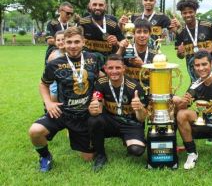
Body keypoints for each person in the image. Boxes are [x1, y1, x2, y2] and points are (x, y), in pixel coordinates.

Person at [28, 27, 99, 172]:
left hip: (84, 114)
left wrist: (98, 99)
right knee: (35, 131)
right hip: (62, 111)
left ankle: (87, 138)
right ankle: (45, 156)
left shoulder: (93, 59)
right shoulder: (54, 64)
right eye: (69, 42)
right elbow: (43, 84)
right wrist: (48, 102)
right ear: (63, 43)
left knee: (88, 158)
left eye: (77, 42)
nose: (73, 46)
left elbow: (102, 80)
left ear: (83, 42)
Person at [88, 54, 148, 171]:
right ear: (105, 69)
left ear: (124, 68)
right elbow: (97, 107)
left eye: (118, 68)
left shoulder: (135, 87)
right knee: (94, 120)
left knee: (136, 151)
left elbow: (141, 119)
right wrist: (94, 109)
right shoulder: (101, 83)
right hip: (111, 121)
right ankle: (100, 155)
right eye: (110, 68)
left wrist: (139, 108)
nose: (114, 71)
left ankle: (131, 140)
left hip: (130, 123)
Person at [175, 0, 212, 82]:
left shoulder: (208, 26)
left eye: (190, 12)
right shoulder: (180, 32)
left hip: (211, 68)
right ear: (181, 14)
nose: (188, 15)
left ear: (195, 12)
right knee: (197, 93)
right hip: (193, 72)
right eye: (184, 13)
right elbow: (180, 56)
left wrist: (208, 50)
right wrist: (180, 53)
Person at [78, 0, 124, 69]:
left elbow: (124, 44)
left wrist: (116, 43)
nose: (97, 7)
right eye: (94, 4)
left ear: (105, 6)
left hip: (109, 64)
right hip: (89, 64)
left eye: (101, 5)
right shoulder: (82, 23)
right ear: (90, 6)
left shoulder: (113, 25)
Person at [117, 18, 156, 84]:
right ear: (133, 34)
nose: (142, 35)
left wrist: (143, 65)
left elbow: (158, 78)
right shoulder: (126, 49)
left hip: (147, 90)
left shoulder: (155, 55)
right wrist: (120, 50)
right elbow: (112, 67)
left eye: (145, 32)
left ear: (150, 34)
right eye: (138, 32)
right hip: (128, 91)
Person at [47, 31, 65, 102]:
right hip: (55, 83)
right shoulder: (53, 55)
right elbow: (48, 71)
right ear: (55, 42)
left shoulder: (72, 54)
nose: (61, 42)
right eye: (58, 40)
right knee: (55, 103)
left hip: (68, 82)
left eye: (63, 39)